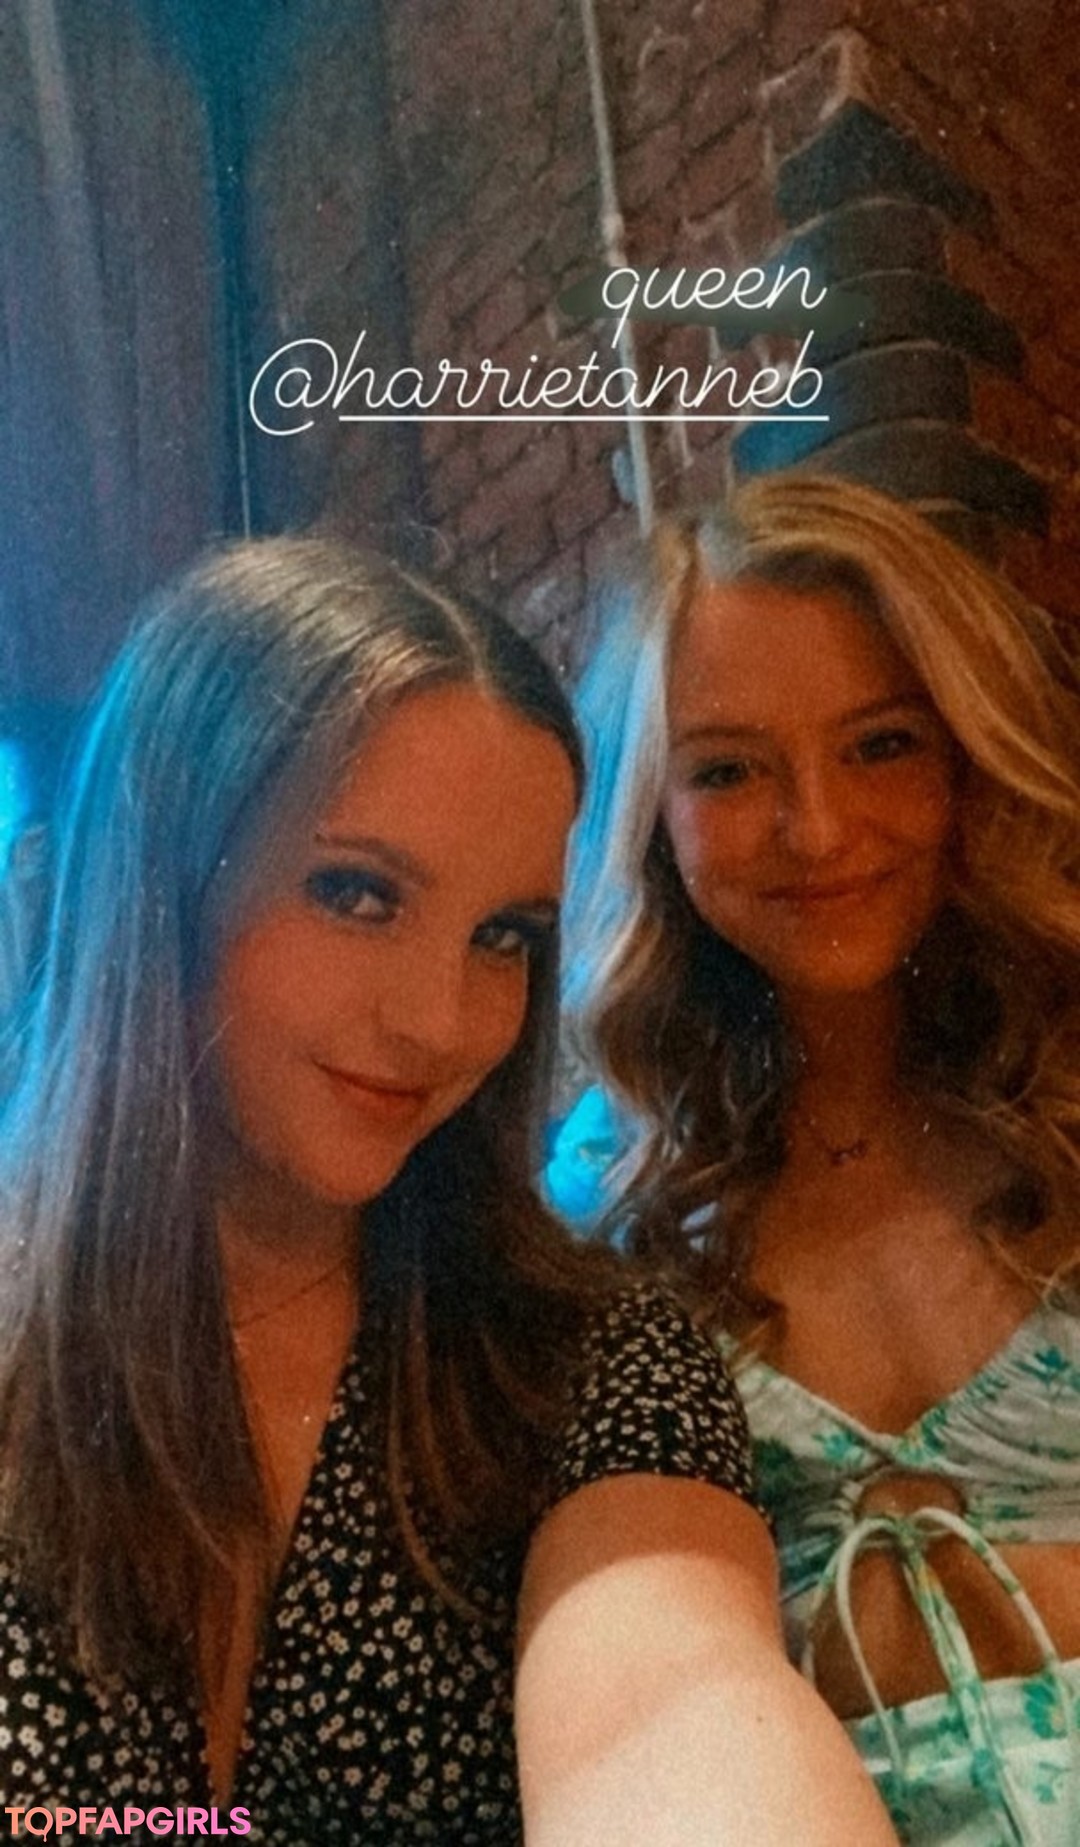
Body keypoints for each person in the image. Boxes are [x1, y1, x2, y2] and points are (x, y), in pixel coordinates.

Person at [0, 536, 897, 1846]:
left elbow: (670, 1703)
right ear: (158, 874)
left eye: (502, 937)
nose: (439, 1020)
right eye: (357, 893)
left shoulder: (583, 1358)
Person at [550, 473, 1080, 1844]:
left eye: (883, 744)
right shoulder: (603, 1201)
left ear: (970, 750)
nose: (820, 829)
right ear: (651, 814)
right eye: (728, 771)